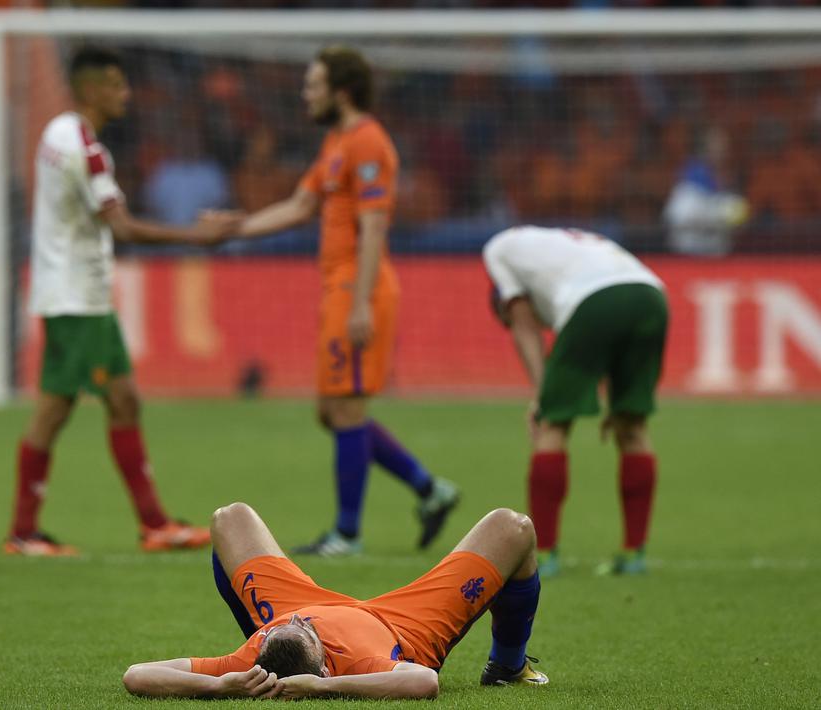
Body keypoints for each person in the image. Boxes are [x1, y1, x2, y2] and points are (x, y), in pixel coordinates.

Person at [208, 46, 459, 556]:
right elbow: (302, 205)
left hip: (357, 288)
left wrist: (361, 302)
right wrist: (236, 228)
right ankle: (429, 488)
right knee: (332, 411)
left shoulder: (368, 142)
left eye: (314, 85)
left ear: (341, 92)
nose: (306, 94)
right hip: (339, 289)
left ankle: (347, 534)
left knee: (346, 409)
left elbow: (374, 225)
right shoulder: (337, 141)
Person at [4, 47, 239, 556]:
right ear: (90, 89)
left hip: (78, 293)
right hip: (75, 297)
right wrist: (197, 237)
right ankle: (23, 533)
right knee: (55, 408)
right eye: (116, 84)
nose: (126, 94)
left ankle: (153, 524)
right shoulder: (85, 148)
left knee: (122, 399)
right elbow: (123, 227)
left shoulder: (57, 132)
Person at [122, 502, 546, 699]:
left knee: (229, 518)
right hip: (403, 625)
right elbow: (424, 682)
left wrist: (219, 684)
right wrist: (324, 687)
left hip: (296, 601)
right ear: (324, 668)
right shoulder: (362, 665)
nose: (303, 624)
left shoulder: (251, 660)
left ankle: (275, 628)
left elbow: (136, 675)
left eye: (280, 632)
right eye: (307, 633)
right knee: (513, 527)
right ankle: (507, 666)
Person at [483, 225, 669, 577]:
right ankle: (634, 554)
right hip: (651, 296)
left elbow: (524, 326)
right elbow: (615, 309)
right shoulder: (559, 246)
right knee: (633, 425)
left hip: (593, 301)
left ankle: (544, 556)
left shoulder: (497, 250)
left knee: (553, 426)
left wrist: (543, 398)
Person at [664, 126, 748, 256]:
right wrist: (717, 215)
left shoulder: (727, 176)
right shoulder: (691, 174)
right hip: (689, 254)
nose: (721, 149)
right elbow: (675, 216)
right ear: (705, 146)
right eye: (716, 143)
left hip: (717, 254)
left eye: (724, 144)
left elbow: (736, 220)